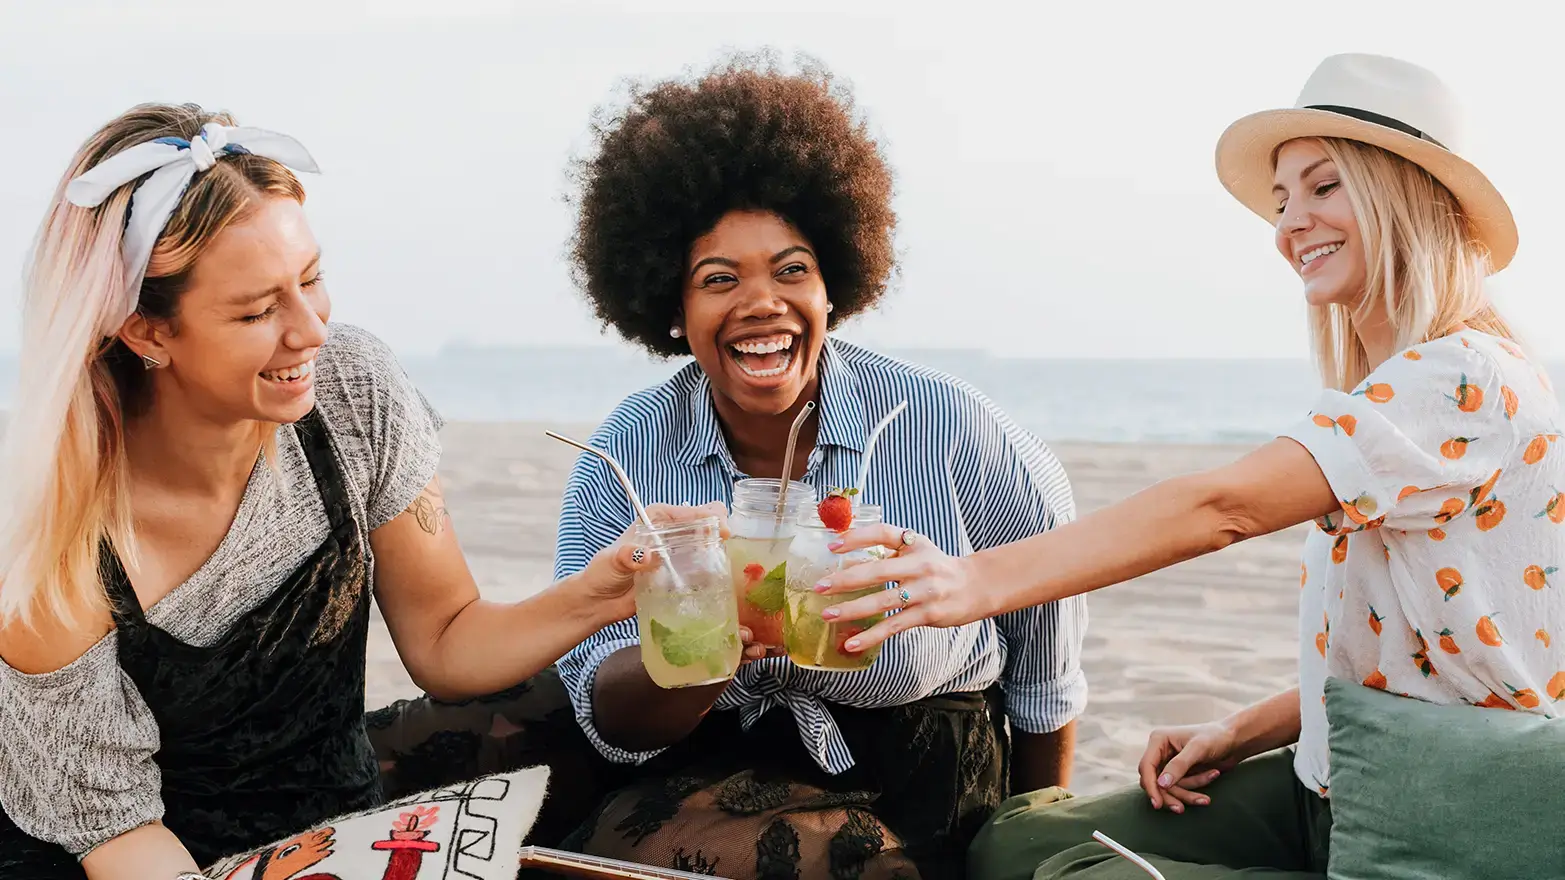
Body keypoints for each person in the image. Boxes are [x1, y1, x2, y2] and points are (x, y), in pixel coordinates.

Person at [815, 53, 1562, 879]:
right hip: (1334, 776)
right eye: (1281, 201)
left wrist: (969, 583)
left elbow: (1221, 509)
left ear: (1409, 196)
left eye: (1323, 187)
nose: (1288, 227)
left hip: (1440, 809)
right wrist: (1241, 731)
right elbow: (1406, 658)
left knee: (1067, 877)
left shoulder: (1463, 380)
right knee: (1015, 842)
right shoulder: (1393, 390)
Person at [0, 103, 715, 880]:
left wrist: (603, 591)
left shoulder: (352, 392)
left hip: (333, 842)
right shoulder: (53, 545)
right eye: (256, 310)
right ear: (145, 333)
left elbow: (446, 640)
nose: (309, 330)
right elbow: (116, 832)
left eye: (311, 280)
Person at [527, 52, 1090, 879]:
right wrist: (704, 655)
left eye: (792, 269)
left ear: (835, 285)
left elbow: (1047, 658)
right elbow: (606, 711)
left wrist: (1039, 846)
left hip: (919, 774)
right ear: (672, 310)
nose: (761, 301)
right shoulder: (631, 449)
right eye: (718, 279)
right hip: (707, 766)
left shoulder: (950, 428)